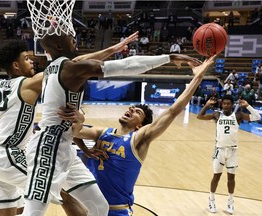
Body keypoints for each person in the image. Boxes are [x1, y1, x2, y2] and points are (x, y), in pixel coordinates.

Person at [21, 26, 203, 215]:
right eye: (69, 37)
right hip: (47, 148)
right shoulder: (71, 68)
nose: (74, 38)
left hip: (64, 146)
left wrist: (113, 49)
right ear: (59, 45)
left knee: (100, 207)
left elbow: (86, 59)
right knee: (33, 213)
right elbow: (125, 65)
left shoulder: (56, 67)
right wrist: (170, 58)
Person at [67, 56, 216, 215]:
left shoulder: (137, 139)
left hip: (116, 211)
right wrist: (83, 137)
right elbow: (72, 131)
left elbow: (173, 111)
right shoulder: (102, 133)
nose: (131, 110)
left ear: (140, 125)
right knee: (64, 194)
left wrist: (198, 77)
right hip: (91, 208)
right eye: (131, 108)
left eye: (137, 112)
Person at [0, 40, 90, 216]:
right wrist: (109, 52)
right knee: (61, 194)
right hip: (8, 156)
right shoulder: (28, 83)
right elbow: (68, 68)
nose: (32, 61)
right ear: (16, 65)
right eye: (27, 58)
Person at [197, 95, 260, 214]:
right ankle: (211, 200)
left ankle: (230, 203)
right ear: (222, 104)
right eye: (224, 103)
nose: (226, 105)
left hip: (233, 151)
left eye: (228, 103)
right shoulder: (217, 115)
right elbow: (199, 116)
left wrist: (247, 106)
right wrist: (206, 105)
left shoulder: (238, 116)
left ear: (232, 105)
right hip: (219, 150)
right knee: (216, 176)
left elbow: (257, 116)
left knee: (231, 178)